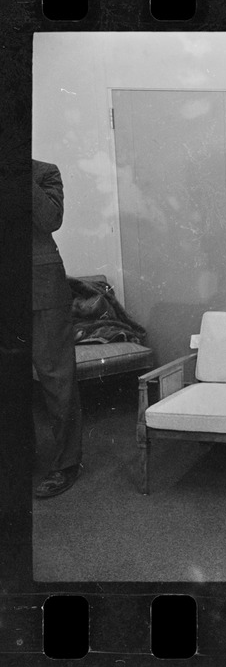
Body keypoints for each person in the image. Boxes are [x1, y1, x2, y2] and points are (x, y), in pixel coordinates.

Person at [32, 159, 84, 499]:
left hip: (41, 289)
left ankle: (66, 464)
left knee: (57, 378)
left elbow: (50, 220)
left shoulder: (44, 172)